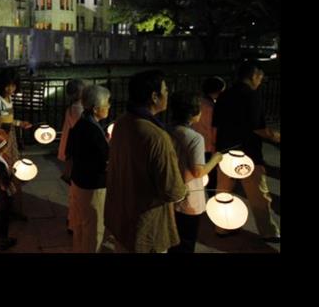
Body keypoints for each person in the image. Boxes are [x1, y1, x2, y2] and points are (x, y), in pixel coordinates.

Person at [104, 70, 186, 253]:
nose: (168, 94)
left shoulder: (122, 123)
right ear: (154, 97)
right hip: (145, 225)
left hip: (122, 218)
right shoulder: (157, 136)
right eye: (165, 90)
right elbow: (172, 190)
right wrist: (185, 189)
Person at [213, 60, 281, 242]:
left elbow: (216, 125)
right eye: (260, 75)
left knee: (223, 192)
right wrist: (276, 137)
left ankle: (222, 228)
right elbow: (258, 128)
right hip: (247, 154)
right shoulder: (252, 96)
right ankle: (269, 231)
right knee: (259, 195)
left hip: (224, 151)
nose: (262, 79)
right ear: (253, 75)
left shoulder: (224, 95)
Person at [169, 90, 224, 253]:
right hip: (189, 198)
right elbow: (198, 172)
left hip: (171, 193)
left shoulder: (167, 130)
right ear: (194, 113)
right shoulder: (194, 138)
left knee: (173, 239)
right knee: (186, 240)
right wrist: (216, 159)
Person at [67, 85, 111, 253]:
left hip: (79, 182)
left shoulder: (81, 123)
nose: (109, 106)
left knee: (80, 228)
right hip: (93, 187)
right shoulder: (92, 130)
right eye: (107, 103)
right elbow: (104, 160)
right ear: (95, 108)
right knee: (94, 231)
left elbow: (70, 151)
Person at [0, 68, 32, 220]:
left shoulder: (8, 99)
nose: (10, 89)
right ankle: (3, 209)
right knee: (3, 174)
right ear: (1, 84)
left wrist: (20, 123)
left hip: (10, 138)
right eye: (7, 85)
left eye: (13, 85)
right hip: (0, 142)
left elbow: (7, 119)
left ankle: (11, 207)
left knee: (12, 172)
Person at [58, 79, 85, 234]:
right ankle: (72, 221)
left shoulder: (72, 108)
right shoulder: (77, 109)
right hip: (75, 154)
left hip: (71, 153)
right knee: (76, 190)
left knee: (74, 190)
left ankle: (72, 219)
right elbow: (80, 131)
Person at [192, 76, 226, 192]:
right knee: (211, 179)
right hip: (208, 146)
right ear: (219, 91)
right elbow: (214, 130)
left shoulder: (197, 103)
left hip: (194, 144)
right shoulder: (213, 108)